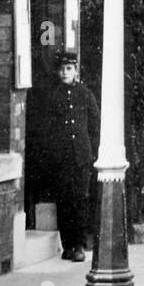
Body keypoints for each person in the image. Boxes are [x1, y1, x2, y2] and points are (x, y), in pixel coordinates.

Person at [42, 50, 100, 262]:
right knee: (64, 202)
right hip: (62, 158)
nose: (65, 73)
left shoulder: (85, 94)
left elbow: (95, 124)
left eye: (69, 69)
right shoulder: (54, 96)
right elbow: (47, 129)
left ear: (75, 70)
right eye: (62, 69)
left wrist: (90, 152)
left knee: (80, 200)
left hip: (81, 158)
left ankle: (79, 245)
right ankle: (67, 245)